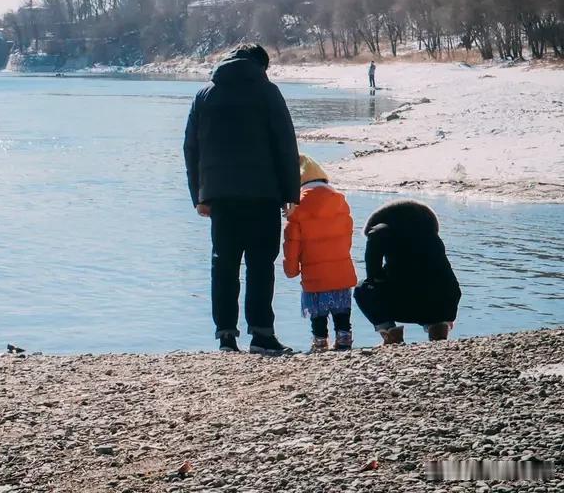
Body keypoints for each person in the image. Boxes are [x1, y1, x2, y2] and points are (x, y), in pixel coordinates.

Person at [183, 43, 300, 355]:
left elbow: (191, 148)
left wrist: (199, 195)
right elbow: (285, 143)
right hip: (263, 193)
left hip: (220, 196)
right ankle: (262, 334)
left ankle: (225, 336)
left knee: (224, 264)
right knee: (261, 264)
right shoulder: (267, 91)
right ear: (261, 65)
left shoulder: (205, 94)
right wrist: (291, 192)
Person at [353, 200, 461, 344]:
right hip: (445, 303)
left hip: (409, 301)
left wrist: (376, 277)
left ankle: (391, 334)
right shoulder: (430, 234)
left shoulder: (383, 230)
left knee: (363, 288)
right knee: (436, 286)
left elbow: (374, 271)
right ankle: (439, 328)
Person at [283, 154, 357, 352]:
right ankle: (344, 339)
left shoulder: (297, 207)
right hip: (340, 269)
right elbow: (348, 238)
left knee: (318, 312)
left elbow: (292, 243)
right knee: (342, 311)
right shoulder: (341, 203)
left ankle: (320, 341)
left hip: (314, 272)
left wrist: (291, 270)